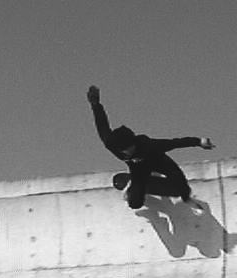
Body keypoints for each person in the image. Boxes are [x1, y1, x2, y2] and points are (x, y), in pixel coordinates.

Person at [87, 85, 215, 212]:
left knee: (180, 187)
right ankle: (132, 183)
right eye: (125, 150)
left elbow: (175, 143)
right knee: (135, 204)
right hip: (139, 171)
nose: (128, 152)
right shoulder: (111, 144)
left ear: (134, 143)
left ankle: (186, 198)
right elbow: (102, 125)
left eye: (131, 148)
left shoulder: (147, 144)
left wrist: (199, 141)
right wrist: (95, 104)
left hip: (160, 162)